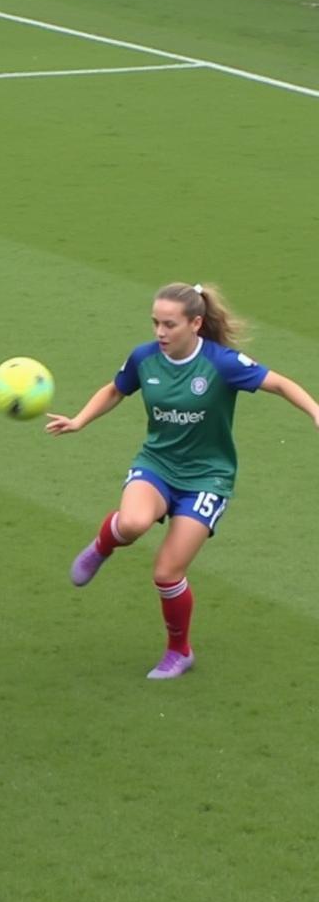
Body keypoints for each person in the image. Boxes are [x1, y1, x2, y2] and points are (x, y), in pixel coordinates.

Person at [46, 282, 319, 679]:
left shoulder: (222, 363)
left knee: (166, 573)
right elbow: (114, 390)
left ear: (195, 323)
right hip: (157, 465)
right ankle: (105, 542)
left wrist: (313, 409)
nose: (159, 332)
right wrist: (78, 420)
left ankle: (179, 651)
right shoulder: (144, 359)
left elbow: (278, 382)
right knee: (134, 523)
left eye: (169, 324)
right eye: (156, 323)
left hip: (208, 478)